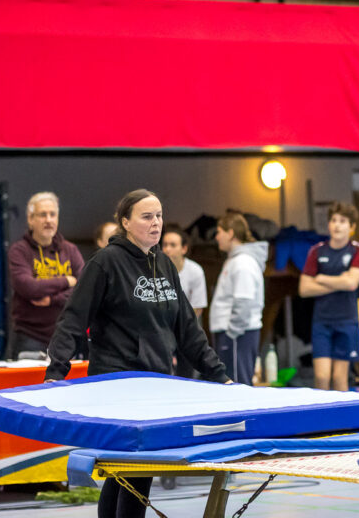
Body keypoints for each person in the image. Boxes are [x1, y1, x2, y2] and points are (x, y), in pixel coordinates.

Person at [46, 189, 229, 518]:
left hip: (156, 383)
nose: (156, 222)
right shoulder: (105, 263)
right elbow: (73, 319)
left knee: (126, 474)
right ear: (126, 222)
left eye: (159, 215)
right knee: (135, 470)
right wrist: (56, 372)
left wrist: (219, 375)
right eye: (147, 216)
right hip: (116, 383)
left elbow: (188, 329)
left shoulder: (165, 264)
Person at [299, 202, 359, 391]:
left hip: (346, 321)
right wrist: (340, 282)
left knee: (339, 378)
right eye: (334, 220)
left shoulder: (358, 250)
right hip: (322, 321)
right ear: (329, 224)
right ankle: (320, 410)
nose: (337, 225)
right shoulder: (317, 251)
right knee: (322, 377)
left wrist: (322, 279)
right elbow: (304, 289)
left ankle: (342, 412)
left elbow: (352, 283)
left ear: (352, 227)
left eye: (342, 221)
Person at [7, 192, 84, 357]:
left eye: (52, 214)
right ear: (30, 219)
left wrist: (52, 299)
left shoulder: (70, 250)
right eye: (42, 215)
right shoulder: (19, 250)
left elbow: (84, 289)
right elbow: (29, 288)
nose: (48, 220)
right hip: (29, 338)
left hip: (66, 337)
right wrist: (66, 281)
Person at [210, 212, 268, 385]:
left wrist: (231, 334)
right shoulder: (234, 260)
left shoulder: (243, 263)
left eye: (219, 232)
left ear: (230, 233)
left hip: (238, 335)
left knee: (237, 386)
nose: (216, 237)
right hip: (234, 334)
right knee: (231, 385)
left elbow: (244, 302)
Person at [163, 226, 208, 378]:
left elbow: (197, 308)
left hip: (187, 327)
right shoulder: (155, 270)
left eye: (172, 245)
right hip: (162, 329)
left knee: (187, 374)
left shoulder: (195, 271)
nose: (167, 249)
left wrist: (180, 329)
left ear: (184, 249)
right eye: (165, 245)